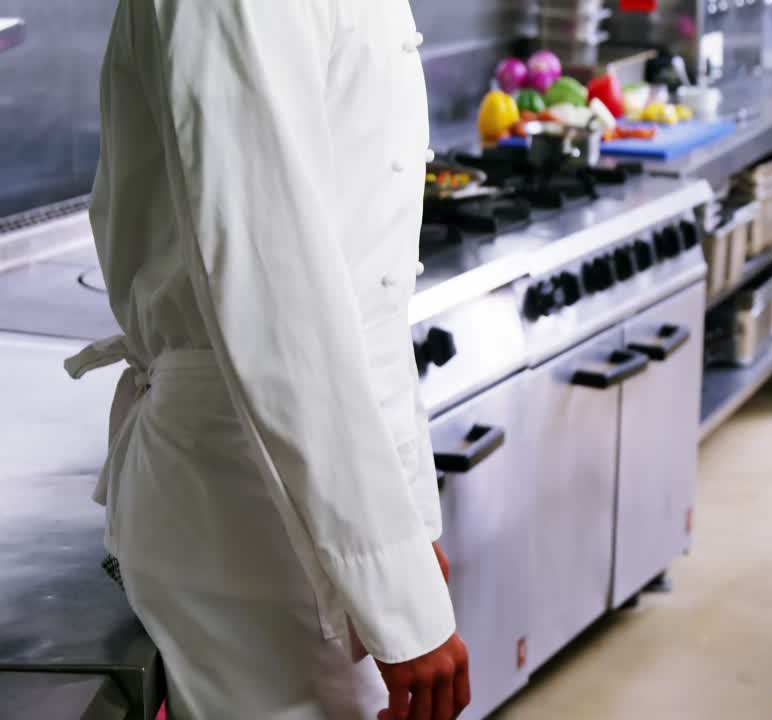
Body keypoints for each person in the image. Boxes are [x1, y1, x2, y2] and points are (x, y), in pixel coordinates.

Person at [63, 1, 469, 718]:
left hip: (316, 481)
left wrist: (402, 529)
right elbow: (277, 296)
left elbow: (362, 309)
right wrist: (387, 573)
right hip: (248, 489)